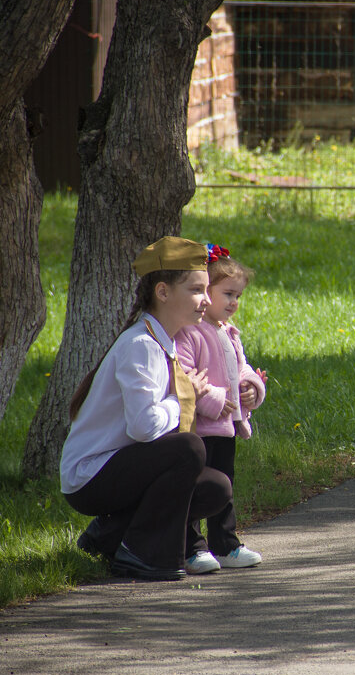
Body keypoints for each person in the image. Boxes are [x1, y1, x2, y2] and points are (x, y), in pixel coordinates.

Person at [60, 236, 233, 581]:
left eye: (206, 290)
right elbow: (143, 427)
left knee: (215, 487)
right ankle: (142, 554)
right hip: (90, 476)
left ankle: (107, 538)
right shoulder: (141, 345)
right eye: (197, 290)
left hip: (125, 465)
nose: (207, 300)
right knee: (188, 448)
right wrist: (184, 399)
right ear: (163, 292)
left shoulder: (162, 341)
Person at [175, 244, 267, 573]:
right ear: (205, 292)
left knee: (225, 486)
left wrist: (251, 388)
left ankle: (225, 544)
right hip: (199, 428)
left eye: (237, 296)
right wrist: (214, 399)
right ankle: (190, 548)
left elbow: (241, 368)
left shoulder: (228, 333)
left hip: (225, 427)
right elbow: (183, 378)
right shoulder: (189, 331)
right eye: (227, 293)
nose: (233, 303)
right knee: (196, 487)